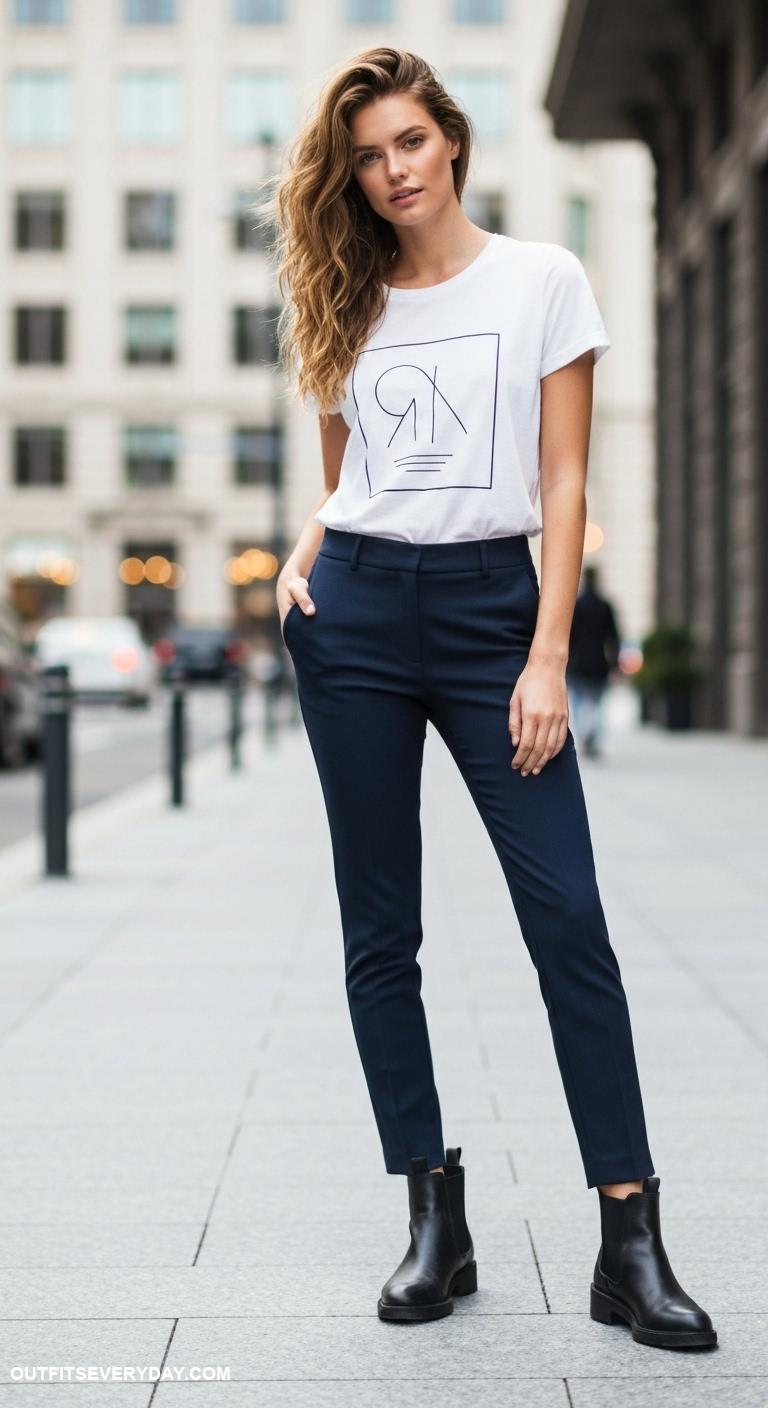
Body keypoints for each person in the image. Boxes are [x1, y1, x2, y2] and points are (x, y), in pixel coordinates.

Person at [267, 47, 716, 1349]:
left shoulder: (541, 280)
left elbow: (563, 481)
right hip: (353, 615)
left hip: (490, 619)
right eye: (367, 155)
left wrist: (546, 655)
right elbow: (352, 477)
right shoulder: (341, 294)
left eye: (410, 141)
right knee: (380, 929)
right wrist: (307, 552)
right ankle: (433, 1216)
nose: (392, 171)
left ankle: (630, 1240)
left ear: (452, 141)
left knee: (568, 916)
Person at [567, 564, 621, 758]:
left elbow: (567, 638)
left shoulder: (575, 606)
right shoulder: (604, 606)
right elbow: (613, 638)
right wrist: (615, 665)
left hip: (576, 664)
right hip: (599, 664)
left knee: (578, 702)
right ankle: (593, 739)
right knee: (597, 704)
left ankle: (584, 735)